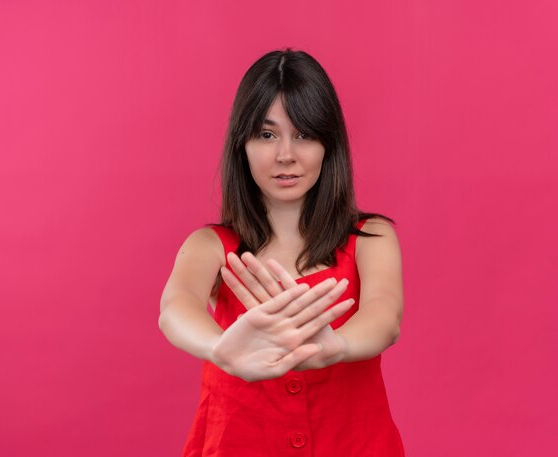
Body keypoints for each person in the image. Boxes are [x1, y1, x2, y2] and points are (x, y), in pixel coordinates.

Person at [159, 49, 404, 456]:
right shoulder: (209, 246)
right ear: (243, 145)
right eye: (267, 134)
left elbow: (385, 317)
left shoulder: (371, 237)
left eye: (304, 134)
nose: (285, 155)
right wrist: (219, 349)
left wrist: (336, 347)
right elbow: (174, 308)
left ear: (330, 144)